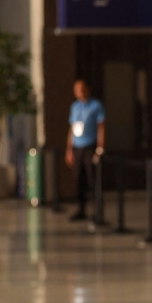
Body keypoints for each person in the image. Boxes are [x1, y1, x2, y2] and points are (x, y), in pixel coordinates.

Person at [65, 79, 105, 221]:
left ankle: (97, 211)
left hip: (90, 145)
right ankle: (81, 209)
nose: (79, 92)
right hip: (78, 146)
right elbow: (71, 129)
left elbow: (101, 127)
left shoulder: (96, 106)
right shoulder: (75, 107)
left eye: (82, 89)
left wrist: (100, 148)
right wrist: (69, 149)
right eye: (77, 90)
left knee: (92, 179)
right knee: (78, 179)